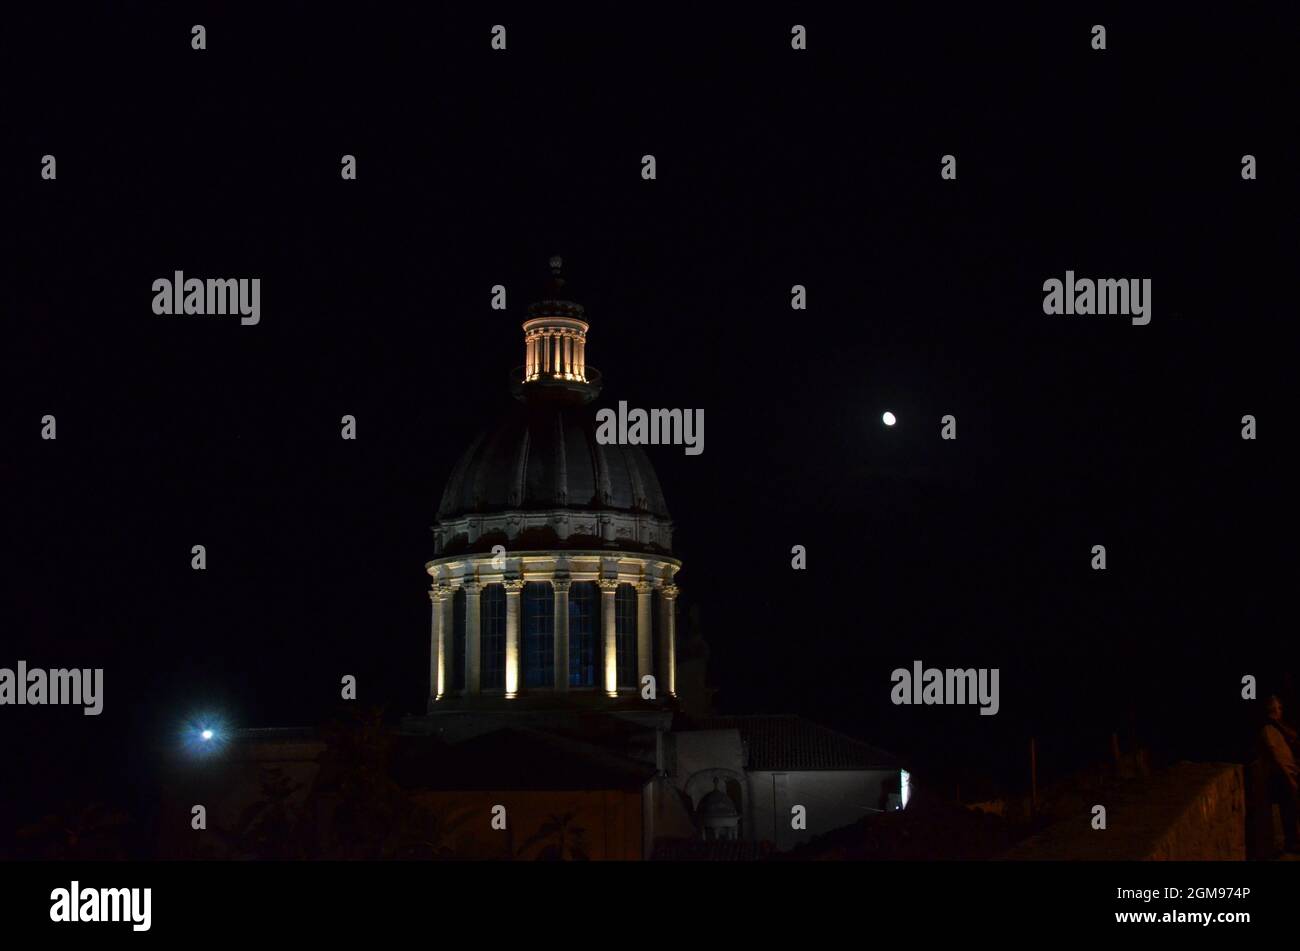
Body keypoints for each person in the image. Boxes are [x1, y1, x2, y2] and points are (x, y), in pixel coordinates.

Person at [1259, 695, 1299, 853]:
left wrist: (1280, 724)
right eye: (1273, 709)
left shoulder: (1278, 728)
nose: (1277, 713)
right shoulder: (1267, 730)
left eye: (1279, 708)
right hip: (1282, 777)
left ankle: (1294, 841)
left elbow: (1294, 737)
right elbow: (1275, 756)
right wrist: (1289, 778)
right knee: (1289, 810)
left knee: (1293, 809)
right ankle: (1292, 843)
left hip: (1291, 774)